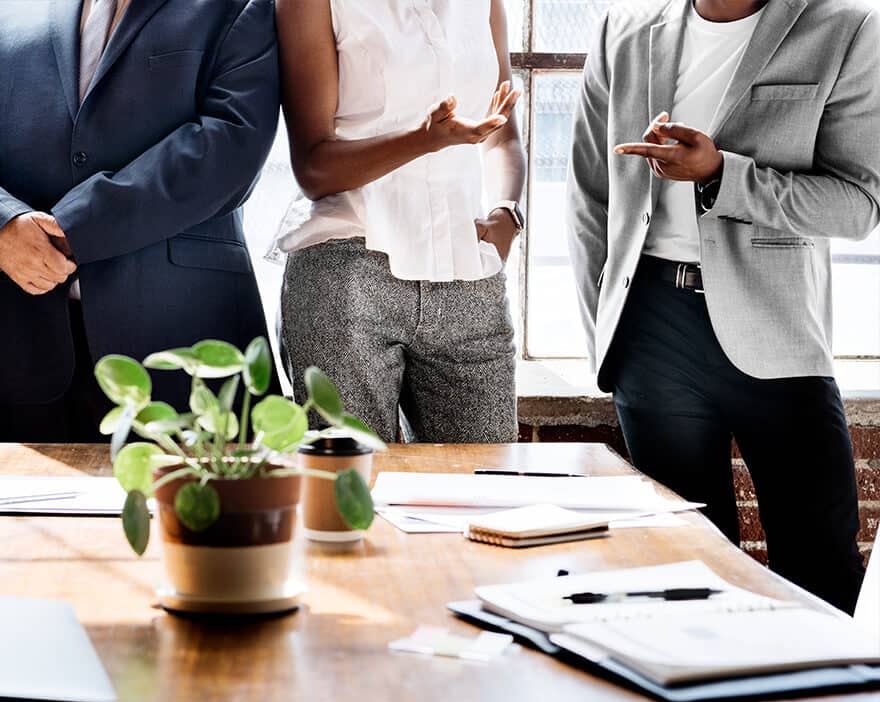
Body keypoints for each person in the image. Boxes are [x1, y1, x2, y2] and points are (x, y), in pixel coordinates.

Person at [567, 0, 879, 612]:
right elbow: (588, 198)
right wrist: (608, 337)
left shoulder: (843, 26)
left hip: (780, 331)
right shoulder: (622, 30)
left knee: (820, 570)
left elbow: (857, 203)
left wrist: (719, 175)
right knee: (683, 577)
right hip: (651, 333)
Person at [0, 0, 280, 443]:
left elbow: (231, 147)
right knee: (19, 515)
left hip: (184, 352)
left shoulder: (238, 6)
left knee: (199, 516)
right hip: (25, 353)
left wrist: (76, 227)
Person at [274, 0, 525, 444]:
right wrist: (423, 140)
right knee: (350, 495)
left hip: (468, 270)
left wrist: (507, 212)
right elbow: (314, 167)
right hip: (348, 273)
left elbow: (502, 133)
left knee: (483, 485)